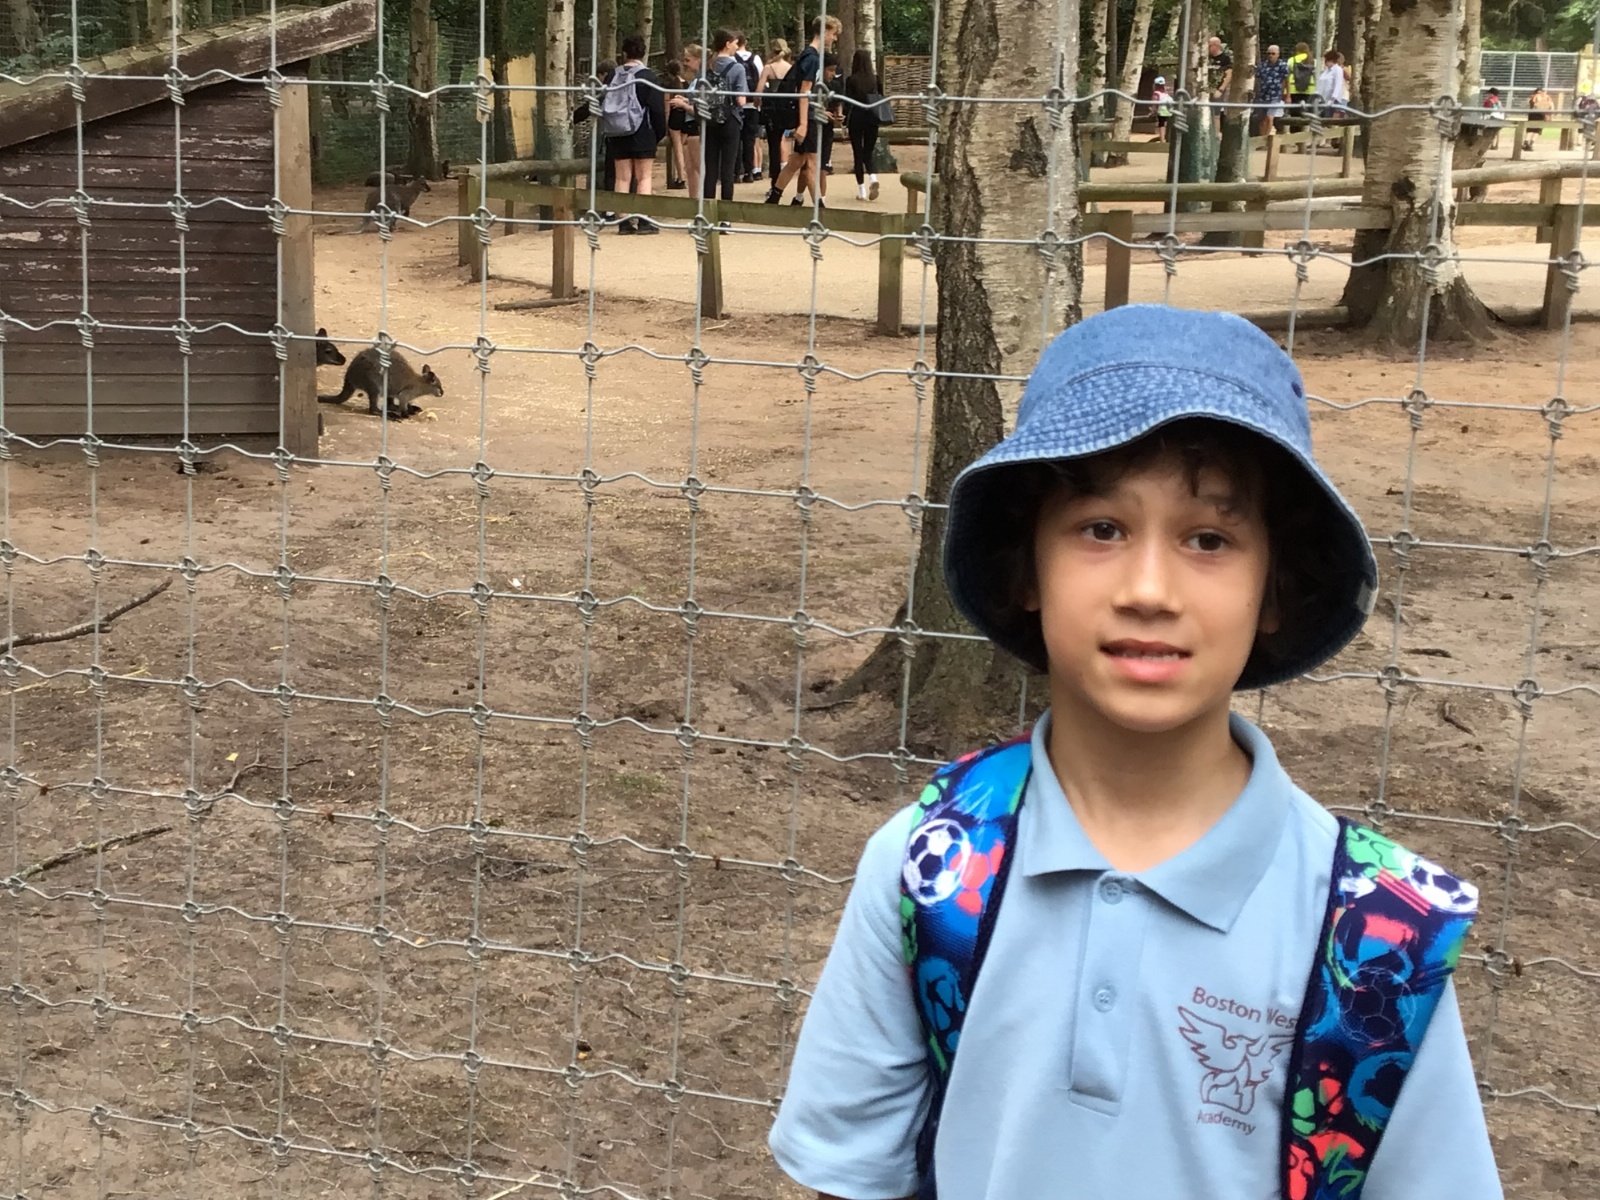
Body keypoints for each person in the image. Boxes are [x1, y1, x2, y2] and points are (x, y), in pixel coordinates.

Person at [766, 304, 1502, 1200]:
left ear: (1275, 589)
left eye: (1209, 539)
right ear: (1026, 570)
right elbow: (852, 1175)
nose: (1149, 589)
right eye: (1101, 529)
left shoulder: (1381, 938)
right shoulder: (928, 865)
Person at [764, 14, 841, 207]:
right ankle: (819, 208)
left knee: (797, 160)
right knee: (812, 163)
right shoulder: (812, 58)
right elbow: (804, 91)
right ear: (824, 32)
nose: (834, 38)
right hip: (808, 116)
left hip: (809, 113)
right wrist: (804, 124)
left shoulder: (812, 56)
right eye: (833, 34)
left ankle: (774, 197)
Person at [601, 35, 666, 234]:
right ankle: (644, 221)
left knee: (622, 178)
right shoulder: (648, 77)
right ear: (643, 53)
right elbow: (657, 109)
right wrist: (659, 133)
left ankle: (624, 222)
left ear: (624, 53)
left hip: (617, 131)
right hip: (642, 132)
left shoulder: (613, 75)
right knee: (644, 177)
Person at [702, 28, 750, 203]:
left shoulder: (707, 66)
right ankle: (726, 211)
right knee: (728, 169)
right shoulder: (738, 68)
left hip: (709, 119)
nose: (737, 46)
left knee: (710, 168)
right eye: (735, 43)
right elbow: (741, 100)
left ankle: (707, 209)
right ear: (727, 44)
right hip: (731, 120)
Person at [843, 49, 883, 201]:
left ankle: (862, 190)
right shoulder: (876, 79)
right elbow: (881, 97)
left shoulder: (851, 80)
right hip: (872, 117)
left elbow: (847, 103)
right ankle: (873, 177)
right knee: (869, 151)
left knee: (857, 153)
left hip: (856, 118)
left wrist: (844, 122)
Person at [667, 45, 704, 199]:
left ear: (698, 60)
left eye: (688, 60)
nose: (685, 64)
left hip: (696, 127)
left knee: (698, 167)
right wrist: (686, 100)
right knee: (690, 168)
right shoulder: (695, 79)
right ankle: (693, 200)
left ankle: (702, 200)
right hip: (689, 127)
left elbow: (701, 108)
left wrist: (684, 105)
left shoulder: (702, 80)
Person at [757, 39, 794, 179]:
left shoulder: (768, 68)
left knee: (773, 144)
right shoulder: (790, 68)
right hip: (786, 107)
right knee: (787, 140)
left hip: (771, 108)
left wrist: (757, 102)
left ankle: (775, 177)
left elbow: (759, 90)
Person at [734, 33, 765, 182]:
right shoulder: (756, 59)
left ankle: (735, 172)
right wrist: (759, 99)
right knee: (750, 139)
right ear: (745, 42)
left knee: (735, 139)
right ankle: (749, 172)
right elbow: (762, 81)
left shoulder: (732, 59)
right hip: (752, 104)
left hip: (736, 104)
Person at [1254, 43, 1290, 136]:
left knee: (1269, 118)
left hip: (1275, 96)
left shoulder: (1283, 65)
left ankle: (1266, 138)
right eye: (1269, 53)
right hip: (1263, 96)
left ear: (1278, 54)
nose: (1270, 55)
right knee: (1261, 119)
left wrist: (1288, 95)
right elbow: (1257, 79)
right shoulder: (1262, 65)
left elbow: (1286, 80)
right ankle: (1262, 138)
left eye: (1273, 54)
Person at [1285, 40, 1315, 147]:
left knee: (1294, 114)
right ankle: (1305, 139)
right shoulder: (1313, 61)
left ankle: (1295, 139)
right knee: (1306, 114)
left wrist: (1286, 93)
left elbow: (1286, 76)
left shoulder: (1291, 60)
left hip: (1294, 89)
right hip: (1309, 90)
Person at [1526, 87, 1553, 151]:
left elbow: (1531, 105)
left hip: (1532, 114)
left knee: (1530, 128)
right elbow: (1551, 106)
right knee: (1537, 130)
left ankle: (1526, 142)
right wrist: (1549, 115)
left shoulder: (1533, 96)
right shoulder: (1546, 97)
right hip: (1541, 114)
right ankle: (1531, 144)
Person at [1151, 74, 1172, 141]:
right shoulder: (1166, 93)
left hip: (1161, 111)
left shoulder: (1156, 93)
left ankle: (1162, 139)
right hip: (1169, 110)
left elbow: (1155, 103)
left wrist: (1153, 111)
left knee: (1161, 124)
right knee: (1167, 124)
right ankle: (1168, 138)